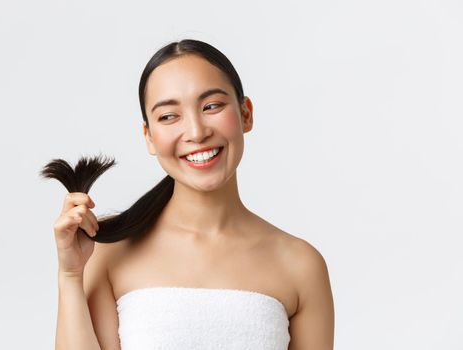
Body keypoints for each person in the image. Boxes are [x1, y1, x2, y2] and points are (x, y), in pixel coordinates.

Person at [50, 39, 334, 349]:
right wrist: (70, 275)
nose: (197, 132)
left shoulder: (300, 265)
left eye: (212, 106)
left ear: (246, 114)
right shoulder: (108, 250)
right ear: (149, 137)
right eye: (169, 116)